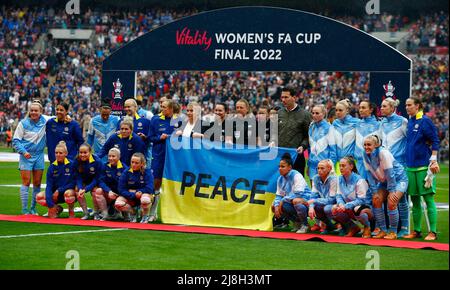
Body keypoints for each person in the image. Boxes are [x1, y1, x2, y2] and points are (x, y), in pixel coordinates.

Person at [403, 97, 441, 241]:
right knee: (415, 201)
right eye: (406, 105)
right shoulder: (411, 121)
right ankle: (417, 230)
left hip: (424, 166)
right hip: (410, 167)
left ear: (417, 106)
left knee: (428, 199)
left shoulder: (425, 121)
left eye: (410, 105)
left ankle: (433, 232)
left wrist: (433, 159)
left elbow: (435, 140)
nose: (407, 107)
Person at [363, 135, 409, 240]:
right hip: (384, 182)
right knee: (376, 199)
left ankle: (393, 231)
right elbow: (369, 175)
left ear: (376, 145)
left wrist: (392, 191)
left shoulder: (384, 153)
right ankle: (383, 230)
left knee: (391, 201)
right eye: (365, 145)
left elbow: (390, 173)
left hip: (399, 179)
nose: (366, 147)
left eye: (369, 145)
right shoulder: (365, 154)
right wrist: (374, 191)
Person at [379, 97, 409, 237]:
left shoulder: (403, 121)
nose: (382, 108)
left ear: (392, 108)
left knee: (401, 199)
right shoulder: (382, 122)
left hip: (400, 166)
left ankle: (404, 228)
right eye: (381, 106)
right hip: (386, 167)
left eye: (385, 106)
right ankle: (389, 228)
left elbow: (410, 141)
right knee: (386, 198)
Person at [12, 100, 49, 215]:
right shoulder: (23, 123)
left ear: (41, 112)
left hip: (39, 155)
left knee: (37, 183)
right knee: (26, 182)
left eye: (36, 111)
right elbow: (16, 141)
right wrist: (23, 152)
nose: (33, 112)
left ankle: (33, 208)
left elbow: (59, 116)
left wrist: (67, 117)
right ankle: (24, 209)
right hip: (26, 156)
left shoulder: (46, 120)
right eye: (31, 110)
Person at [149, 99, 181, 222]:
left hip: (175, 158)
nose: (162, 109)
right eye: (161, 106)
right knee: (155, 184)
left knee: (174, 185)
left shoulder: (179, 121)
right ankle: (152, 213)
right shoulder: (156, 119)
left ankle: (176, 214)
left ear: (172, 109)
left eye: (165, 107)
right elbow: (150, 137)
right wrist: (159, 137)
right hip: (159, 156)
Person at [328, 156, 372, 238]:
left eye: (343, 166)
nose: (341, 168)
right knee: (333, 208)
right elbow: (338, 195)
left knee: (357, 209)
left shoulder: (359, 180)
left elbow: (362, 200)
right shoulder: (339, 178)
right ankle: (353, 227)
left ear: (351, 166)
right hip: (348, 206)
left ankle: (367, 227)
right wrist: (341, 204)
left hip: (366, 207)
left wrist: (346, 206)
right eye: (340, 166)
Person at [272, 153, 315, 234]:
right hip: (292, 201)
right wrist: (277, 205)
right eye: (279, 167)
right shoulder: (280, 179)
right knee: (274, 205)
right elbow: (278, 195)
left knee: (296, 201)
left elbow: (298, 194)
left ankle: (305, 225)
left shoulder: (297, 175)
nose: (280, 169)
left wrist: (283, 200)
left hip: (307, 202)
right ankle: (297, 222)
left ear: (290, 167)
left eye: (283, 166)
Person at [35, 141, 76, 218]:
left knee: (68, 194)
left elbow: (73, 183)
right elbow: (49, 186)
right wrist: (50, 205)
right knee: (39, 197)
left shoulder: (72, 164)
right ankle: (56, 208)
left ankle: (71, 211)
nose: (58, 155)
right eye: (56, 153)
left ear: (66, 154)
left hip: (69, 192)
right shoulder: (52, 167)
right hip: (55, 195)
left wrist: (59, 190)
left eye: (60, 153)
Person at [278, 87, 312, 176]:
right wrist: (273, 141)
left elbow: (309, 136)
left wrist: (303, 146)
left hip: (297, 156)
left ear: (294, 98)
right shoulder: (278, 113)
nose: (283, 100)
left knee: (297, 184)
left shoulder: (305, 115)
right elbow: (273, 133)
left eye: (286, 97)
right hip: (280, 156)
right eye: (282, 97)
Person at [116, 152, 155, 223]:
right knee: (118, 204)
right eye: (132, 162)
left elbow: (150, 188)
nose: (133, 164)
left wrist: (137, 191)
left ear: (142, 164)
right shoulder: (126, 172)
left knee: (145, 200)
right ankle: (133, 212)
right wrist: (134, 194)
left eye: (136, 163)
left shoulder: (147, 172)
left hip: (143, 195)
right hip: (130, 196)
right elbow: (121, 189)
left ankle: (145, 216)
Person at [96, 148, 128, 221]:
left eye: (113, 156)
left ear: (119, 157)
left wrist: (119, 195)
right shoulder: (104, 166)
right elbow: (101, 181)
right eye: (109, 156)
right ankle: (105, 214)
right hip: (109, 193)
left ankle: (126, 214)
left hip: (121, 193)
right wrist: (109, 191)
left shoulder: (125, 168)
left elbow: (126, 185)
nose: (111, 158)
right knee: (98, 191)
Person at [73, 143, 103, 220]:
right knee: (77, 190)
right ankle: (86, 213)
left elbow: (97, 179)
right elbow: (78, 177)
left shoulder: (97, 161)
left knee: (95, 191)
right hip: (84, 181)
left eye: (85, 152)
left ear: (90, 152)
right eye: (81, 152)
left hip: (95, 182)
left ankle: (96, 213)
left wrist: (86, 189)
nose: (82, 155)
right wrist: (80, 188)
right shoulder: (76, 161)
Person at [308, 159, 338, 234]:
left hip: (336, 203)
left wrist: (314, 201)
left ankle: (345, 226)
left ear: (329, 169)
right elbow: (313, 195)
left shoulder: (334, 179)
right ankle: (330, 226)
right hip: (324, 202)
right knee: (315, 207)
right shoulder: (315, 178)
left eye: (322, 168)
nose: (319, 170)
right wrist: (311, 207)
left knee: (327, 208)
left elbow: (332, 199)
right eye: (318, 168)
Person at [308, 104, 337, 179]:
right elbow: (311, 148)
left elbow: (333, 150)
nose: (314, 115)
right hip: (312, 166)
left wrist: (331, 165)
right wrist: (308, 165)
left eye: (317, 113)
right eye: (313, 113)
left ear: (323, 114)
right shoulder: (311, 127)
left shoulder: (329, 128)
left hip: (324, 166)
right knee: (314, 190)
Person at [332, 99, 360, 173]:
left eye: (340, 110)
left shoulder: (357, 122)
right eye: (336, 110)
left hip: (351, 162)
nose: (337, 112)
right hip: (338, 162)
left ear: (347, 111)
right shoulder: (335, 123)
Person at [355, 100, 380, 179]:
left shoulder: (378, 124)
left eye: (363, 108)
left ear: (371, 110)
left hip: (372, 162)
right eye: (360, 108)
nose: (361, 110)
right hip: (358, 162)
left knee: (372, 188)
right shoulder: (357, 123)